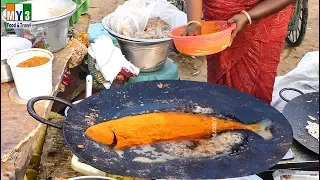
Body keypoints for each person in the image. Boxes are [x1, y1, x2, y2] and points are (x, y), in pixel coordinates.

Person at [184, 0, 296, 103]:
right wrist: (194, 22)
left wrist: (248, 16)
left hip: (263, 22)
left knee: (256, 90)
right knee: (219, 86)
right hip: (219, 29)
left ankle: (254, 122)